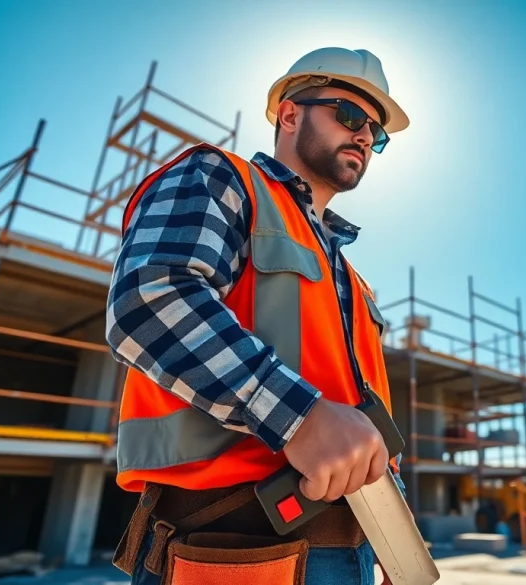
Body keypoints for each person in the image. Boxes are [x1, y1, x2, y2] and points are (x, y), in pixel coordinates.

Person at [104, 47, 409, 585]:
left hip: (355, 549)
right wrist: (302, 417)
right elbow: (148, 298)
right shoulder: (223, 179)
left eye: (376, 134)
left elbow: (364, 413)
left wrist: (392, 522)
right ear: (290, 114)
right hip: (229, 542)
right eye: (351, 116)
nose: (365, 136)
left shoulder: (350, 279)